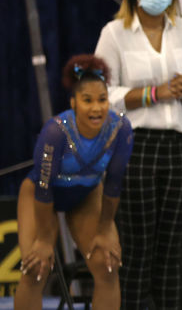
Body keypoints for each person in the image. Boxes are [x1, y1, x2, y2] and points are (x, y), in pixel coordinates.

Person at [94, 0, 182, 310]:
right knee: (139, 245)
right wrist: (154, 93)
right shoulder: (115, 33)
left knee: (171, 246)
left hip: (178, 145)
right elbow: (104, 96)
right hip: (136, 145)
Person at [15, 55, 133, 310]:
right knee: (36, 268)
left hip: (86, 196)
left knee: (108, 264)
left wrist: (104, 230)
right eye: (87, 100)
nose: (96, 108)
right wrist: (45, 240)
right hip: (39, 195)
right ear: (74, 103)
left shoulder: (120, 129)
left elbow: (113, 185)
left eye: (102, 100)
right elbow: (44, 189)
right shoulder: (56, 132)